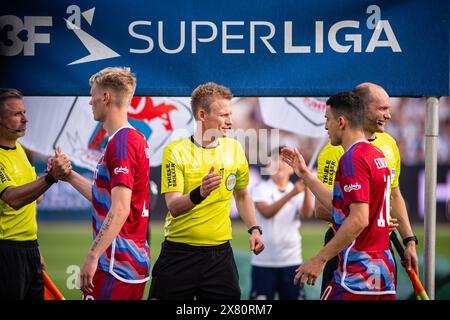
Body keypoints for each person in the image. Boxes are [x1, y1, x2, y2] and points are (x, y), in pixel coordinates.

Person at [149, 82, 264, 300]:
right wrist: (199, 192)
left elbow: (242, 195)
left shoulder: (235, 149)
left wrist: (255, 229)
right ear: (202, 114)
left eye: (230, 114)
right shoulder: (175, 152)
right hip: (179, 255)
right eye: (223, 115)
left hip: (220, 257)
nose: (230, 121)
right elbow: (173, 207)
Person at [281, 92, 396, 300]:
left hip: (356, 276)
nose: (326, 127)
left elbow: (359, 219)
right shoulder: (376, 155)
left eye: (327, 120)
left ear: (341, 122)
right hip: (383, 273)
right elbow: (342, 206)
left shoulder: (352, 158)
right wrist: (306, 175)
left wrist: (320, 258)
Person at [56, 67, 151, 300]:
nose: (90, 101)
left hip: (116, 265)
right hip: (127, 264)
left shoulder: (122, 142)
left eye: (93, 95)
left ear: (105, 97)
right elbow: (108, 198)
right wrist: (68, 175)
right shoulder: (132, 138)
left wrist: (92, 255)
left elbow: (120, 208)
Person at [316, 82, 419, 296]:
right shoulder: (333, 149)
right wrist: (373, 218)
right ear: (361, 108)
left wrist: (409, 240)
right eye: (382, 108)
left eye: (389, 108)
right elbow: (322, 209)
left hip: (381, 246)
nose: (388, 115)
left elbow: (394, 194)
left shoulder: (389, 144)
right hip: (342, 246)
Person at [0, 88, 71, 300]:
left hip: (28, 248)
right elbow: (13, 199)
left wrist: (35, 249)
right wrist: (50, 178)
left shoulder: (20, 150)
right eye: (17, 114)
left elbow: (36, 199)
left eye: (24, 112)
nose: (25, 119)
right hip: (6, 251)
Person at [249, 146, 313, 300]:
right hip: (264, 262)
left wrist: (307, 189)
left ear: (291, 169)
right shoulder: (260, 188)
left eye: (283, 161)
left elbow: (306, 214)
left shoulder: (296, 189)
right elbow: (267, 212)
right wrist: (292, 194)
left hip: (291, 261)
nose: (279, 165)